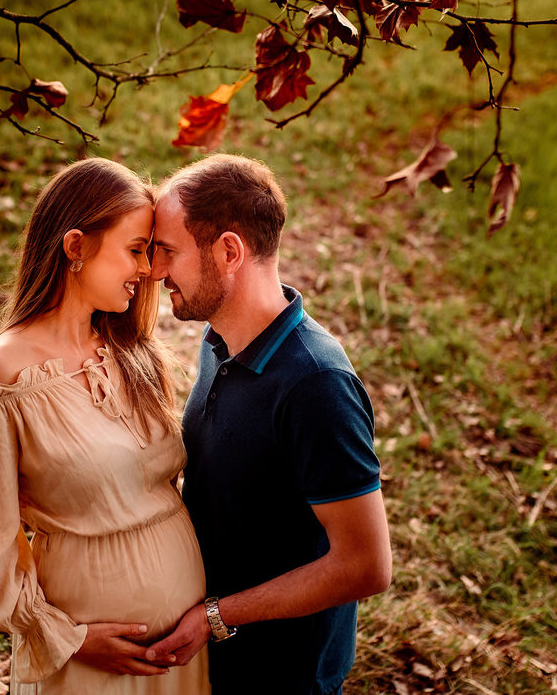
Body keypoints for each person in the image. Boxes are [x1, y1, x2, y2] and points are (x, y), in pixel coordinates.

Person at [0, 158, 209, 694]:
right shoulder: (0, 375)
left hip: (181, 653)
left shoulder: (134, 353)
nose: (148, 271)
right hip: (88, 660)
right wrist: (69, 637)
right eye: (135, 250)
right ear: (76, 246)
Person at [145, 154, 392, 695]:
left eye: (167, 251)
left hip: (282, 674)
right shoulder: (220, 341)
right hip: (215, 662)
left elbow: (367, 564)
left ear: (228, 251)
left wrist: (216, 614)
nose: (155, 271)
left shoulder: (316, 384)